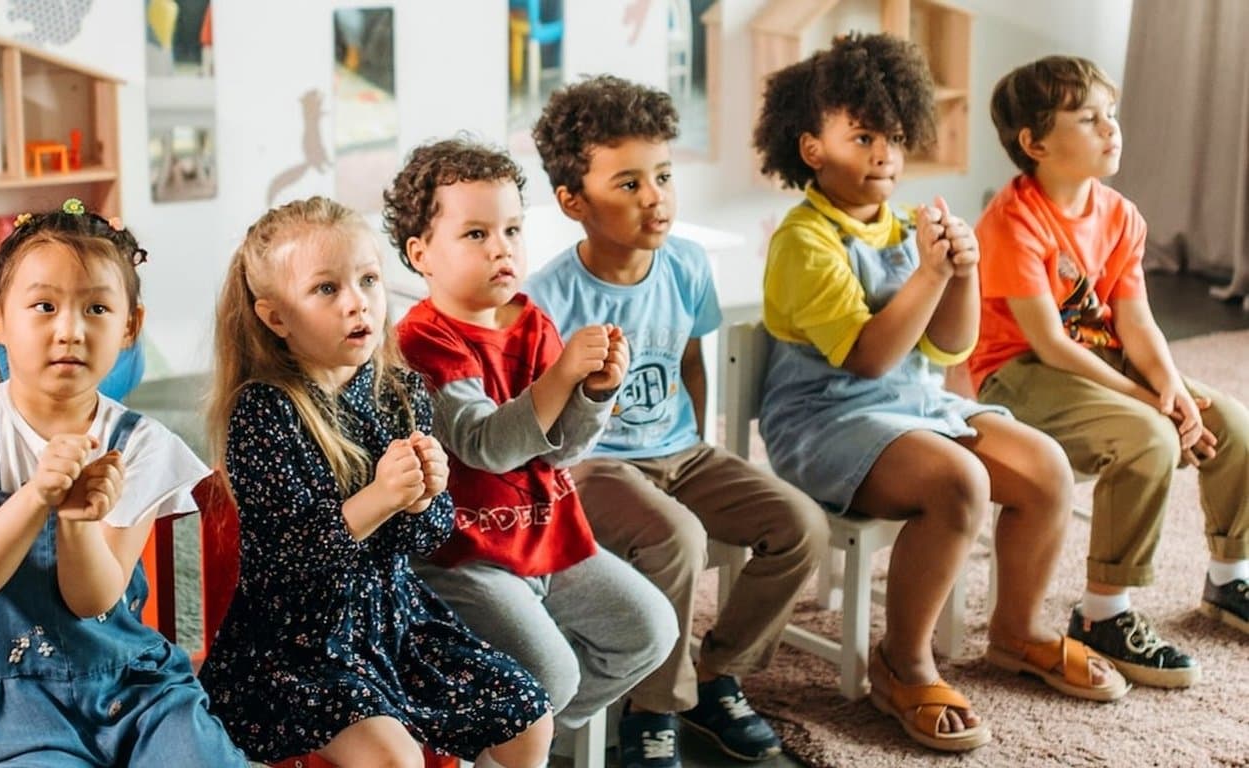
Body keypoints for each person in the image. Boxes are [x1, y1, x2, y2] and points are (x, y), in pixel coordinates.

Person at [751, 34, 1130, 752]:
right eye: (861, 137)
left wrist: (962, 271)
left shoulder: (901, 227)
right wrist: (928, 274)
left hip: (913, 404)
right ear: (810, 149)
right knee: (958, 482)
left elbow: (948, 348)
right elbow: (869, 359)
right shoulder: (803, 241)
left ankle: (1017, 633)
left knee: (1045, 467)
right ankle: (902, 663)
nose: (883, 154)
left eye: (892, 137)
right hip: (824, 420)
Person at [525, 75, 829, 768]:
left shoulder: (687, 265)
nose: (655, 197)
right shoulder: (548, 297)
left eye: (662, 175)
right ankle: (651, 710)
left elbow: (691, 361)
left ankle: (719, 675)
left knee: (800, 527)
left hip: (682, 452)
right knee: (677, 537)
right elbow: (544, 419)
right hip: (594, 465)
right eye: (627, 184)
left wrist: (705, 444)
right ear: (574, 201)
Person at [0, 198, 248, 767]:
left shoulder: (138, 443)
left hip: (130, 688)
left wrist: (78, 521)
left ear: (130, 326)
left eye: (97, 308)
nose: (70, 331)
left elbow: (94, 599)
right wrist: (37, 496)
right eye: (45, 306)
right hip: (8, 707)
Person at [197, 196, 553, 768]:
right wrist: (381, 497)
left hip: (397, 620)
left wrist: (428, 496)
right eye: (326, 289)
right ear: (276, 316)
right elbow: (291, 556)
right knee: (395, 759)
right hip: (296, 646)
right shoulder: (265, 412)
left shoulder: (400, 391)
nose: (357, 303)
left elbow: (426, 537)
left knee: (529, 715)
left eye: (368, 280)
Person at [971, 55, 1249, 686]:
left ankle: (1230, 579)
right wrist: (1148, 405)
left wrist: (1173, 389)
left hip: (1099, 360)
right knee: (1148, 440)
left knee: (1228, 420)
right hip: (1019, 373)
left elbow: (1138, 323)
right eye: (1089, 118)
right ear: (1035, 143)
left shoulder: (1121, 216)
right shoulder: (1013, 221)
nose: (1111, 128)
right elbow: (1048, 343)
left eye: (1111, 114)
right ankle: (1104, 614)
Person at [386, 137, 678, 735]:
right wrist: (565, 374)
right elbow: (486, 444)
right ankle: (522, 727)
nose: (502, 249)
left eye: (513, 230)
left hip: (550, 536)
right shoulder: (423, 340)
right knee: (554, 674)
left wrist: (596, 392)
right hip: (466, 558)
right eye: (476, 234)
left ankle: (525, 733)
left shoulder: (532, 320)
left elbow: (564, 448)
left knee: (653, 629)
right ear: (422, 255)